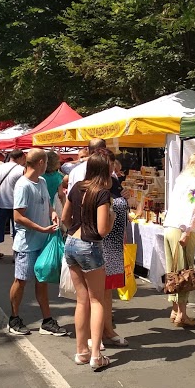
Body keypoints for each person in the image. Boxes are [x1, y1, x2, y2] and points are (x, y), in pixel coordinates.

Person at [62, 151, 115, 370]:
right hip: (90, 245)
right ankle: (95, 354)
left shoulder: (76, 188)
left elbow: (65, 218)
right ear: (105, 169)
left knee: (81, 300)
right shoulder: (102, 193)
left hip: (71, 243)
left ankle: (81, 351)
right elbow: (102, 230)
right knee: (97, 300)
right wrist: (111, 218)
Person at [7, 149, 67, 337]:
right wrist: (40, 228)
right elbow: (17, 217)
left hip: (43, 240)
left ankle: (47, 320)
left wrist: (53, 214)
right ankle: (14, 318)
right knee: (21, 280)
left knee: (42, 280)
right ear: (41, 162)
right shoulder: (23, 185)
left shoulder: (40, 182)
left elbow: (47, 204)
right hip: (27, 243)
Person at [163, 153, 195, 326]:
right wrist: (186, 231)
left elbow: (186, 205)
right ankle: (182, 315)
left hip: (170, 226)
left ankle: (174, 310)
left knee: (172, 270)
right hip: (182, 229)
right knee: (184, 271)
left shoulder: (181, 180)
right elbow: (190, 207)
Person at [101, 151, 130, 347]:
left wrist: (124, 197)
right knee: (95, 294)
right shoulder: (95, 188)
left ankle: (107, 330)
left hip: (114, 243)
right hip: (102, 243)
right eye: (111, 164)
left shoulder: (113, 182)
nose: (114, 168)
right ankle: (94, 336)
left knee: (107, 291)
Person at [0, 149, 27, 261]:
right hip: (17, 204)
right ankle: (15, 254)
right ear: (20, 158)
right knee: (17, 229)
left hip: (1, 202)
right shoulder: (22, 170)